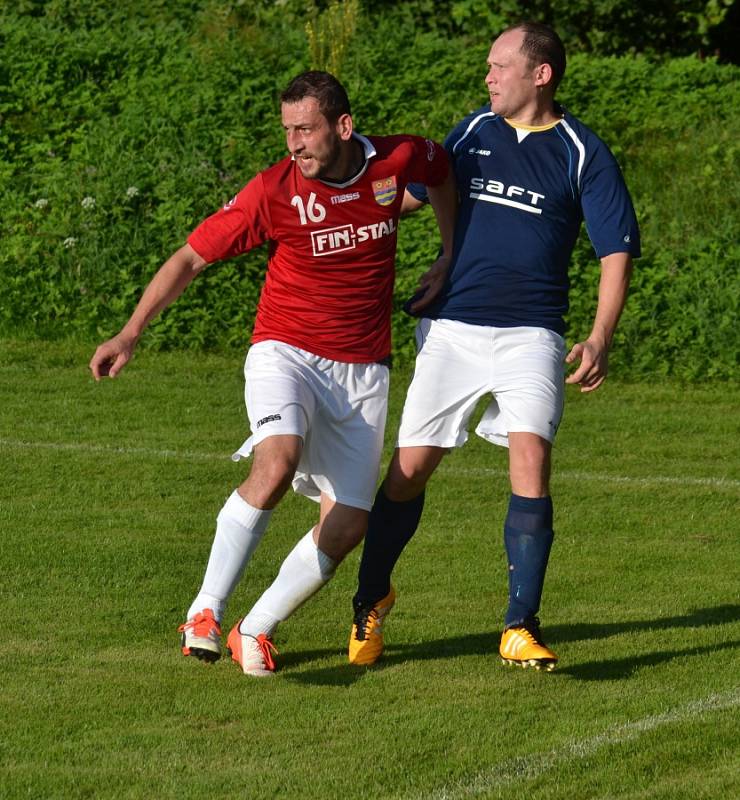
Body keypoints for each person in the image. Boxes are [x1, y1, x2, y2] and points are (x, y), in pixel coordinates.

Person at [90, 70, 456, 677]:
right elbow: (189, 257)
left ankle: (253, 628)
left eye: (305, 129)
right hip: (284, 349)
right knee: (276, 460)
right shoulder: (274, 191)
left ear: (342, 126)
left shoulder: (398, 159)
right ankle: (203, 612)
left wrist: (449, 256)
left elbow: (441, 174)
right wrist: (130, 332)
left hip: (363, 369)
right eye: (287, 130)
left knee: (347, 525)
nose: (293, 143)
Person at [348, 22, 641, 671]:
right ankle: (370, 600)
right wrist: (339, 204)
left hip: (532, 332)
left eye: (500, 66)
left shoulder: (581, 150)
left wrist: (599, 335)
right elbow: (413, 195)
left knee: (531, 456)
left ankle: (519, 625)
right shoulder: (473, 133)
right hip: (453, 328)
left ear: (541, 74)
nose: (489, 76)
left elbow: (615, 249)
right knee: (408, 472)